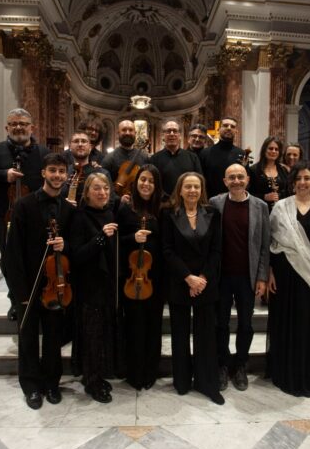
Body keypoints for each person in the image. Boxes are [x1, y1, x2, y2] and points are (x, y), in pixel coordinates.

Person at [3, 153, 72, 410]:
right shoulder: (24, 205)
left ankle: (52, 384)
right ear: (43, 172)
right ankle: (31, 387)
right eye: (52, 170)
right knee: (29, 339)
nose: (57, 176)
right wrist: (20, 291)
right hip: (29, 287)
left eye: (61, 171)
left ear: (66, 176)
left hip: (56, 285)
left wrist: (67, 245)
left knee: (54, 338)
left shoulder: (68, 208)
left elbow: (74, 247)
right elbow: (12, 253)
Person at [0, 108, 50, 319]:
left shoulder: (43, 153)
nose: (18, 127)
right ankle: (15, 300)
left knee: (36, 259)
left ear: (31, 127)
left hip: (37, 217)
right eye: (14, 124)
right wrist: (2, 175)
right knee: (9, 260)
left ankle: (37, 299)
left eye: (23, 124)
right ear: (7, 128)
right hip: (5, 216)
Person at [267, 162, 310, 397]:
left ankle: (303, 374)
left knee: (305, 324)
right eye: (299, 179)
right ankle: (282, 372)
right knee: (283, 321)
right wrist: (270, 272)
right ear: (292, 182)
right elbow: (271, 243)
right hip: (284, 273)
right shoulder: (280, 208)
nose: (303, 182)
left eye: (307, 178)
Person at [161, 172, 224, 405]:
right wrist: (188, 278)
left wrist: (202, 278)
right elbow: (167, 250)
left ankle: (207, 383)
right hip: (180, 282)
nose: (192, 191)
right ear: (180, 190)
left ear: (201, 190)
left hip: (205, 282)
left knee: (206, 335)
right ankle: (182, 381)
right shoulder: (168, 215)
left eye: (196, 186)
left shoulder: (213, 214)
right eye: (187, 186)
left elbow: (216, 250)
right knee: (179, 334)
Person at [209, 163, 270, 392]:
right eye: (231, 177)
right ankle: (223, 364)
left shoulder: (260, 206)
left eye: (240, 177)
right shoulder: (215, 203)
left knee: (246, 324)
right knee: (220, 324)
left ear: (247, 180)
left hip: (248, 276)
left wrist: (262, 277)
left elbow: (264, 244)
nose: (236, 181)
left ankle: (241, 364)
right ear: (225, 181)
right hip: (222, 276)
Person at [68, 172, 119, 403]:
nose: (103, 193)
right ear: (87, 192)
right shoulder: (79, 217)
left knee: (102, 333)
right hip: (89, 285)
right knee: (91, 334)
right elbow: (76, 255)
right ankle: (91, 381)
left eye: (106, 188)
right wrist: (100, 238)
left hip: (107, 283)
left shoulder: (109, 213)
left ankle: (98, 374)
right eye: (97, 189)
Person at [116, 164, 164, 391]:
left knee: (153, 325)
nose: (146, 184)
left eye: (151, 181)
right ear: (136, 183)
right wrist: (132, 238)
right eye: (143, 180)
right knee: (133, 324)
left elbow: (167, 243)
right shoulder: (125, 208)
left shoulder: (162, 209)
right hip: (132, 277)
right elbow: (116, 242)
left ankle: (150, 371)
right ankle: (134, 372)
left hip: (154, 276)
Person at [148, 119, 202, 196]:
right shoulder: (154, 159)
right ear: (163, 135)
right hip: (163, 204)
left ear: (180, 135)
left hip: (187, 201)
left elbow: (199, 181)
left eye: (175, 131)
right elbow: (152, 183)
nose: (172, 134)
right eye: (168, 131)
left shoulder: (192, 157)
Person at [101, 119, 149, 199]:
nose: (127, 133)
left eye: (131, 130)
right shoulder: (109, 158)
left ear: (135, 133)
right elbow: (103, 184)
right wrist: (118, 199)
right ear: (118, 133)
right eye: (124, 130)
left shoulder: (144, 156)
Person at [199, 116, 246, 199]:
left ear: (236, 131)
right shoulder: (205, 153)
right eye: (225, 125)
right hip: (210, 200)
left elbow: (244, 179)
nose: (229, 128)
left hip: (234, 199)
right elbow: (201, 180)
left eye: (232, 126)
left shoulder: (241, 153)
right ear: (218, 129)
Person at [63, 130, 112, 205]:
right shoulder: (63, 172)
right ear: (70, 147)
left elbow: (111, 202)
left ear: (90, 147)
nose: (80, 144)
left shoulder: (103, 173)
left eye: (84, 141)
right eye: (76, 141)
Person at [248, 136, 290, 211]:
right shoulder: (253, 170)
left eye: (276, 149)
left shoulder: (283, 170)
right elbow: (247, 194)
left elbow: (288, 192)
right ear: (264, 150)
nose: (273, 151)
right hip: (259, 211)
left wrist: (280, 196)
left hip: (280, 212)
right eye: (270, 148)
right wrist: (264, 197)